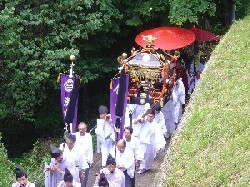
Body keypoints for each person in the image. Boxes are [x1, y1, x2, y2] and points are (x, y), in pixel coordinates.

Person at [134, 109, 156, 174]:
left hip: (149, 142)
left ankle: (147, 167)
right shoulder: (143, 120)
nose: (150, 118)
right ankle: (142, 167)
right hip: (141, 141)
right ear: (146, 115)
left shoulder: (154, 124)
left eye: (151, 116)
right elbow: (135, 122)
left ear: (154, 116)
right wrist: (139, 120)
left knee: (149, 156)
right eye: (149, 116)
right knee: (142, 154)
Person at [75, 122, 93, 187]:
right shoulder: (75, 135)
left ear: (85, 129)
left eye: (82, 129)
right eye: (80, 129)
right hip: (76, 161)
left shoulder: (88, 136)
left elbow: (89, 149)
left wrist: (89, 161)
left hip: (86, 160)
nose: (81, 130)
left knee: (84, 180)